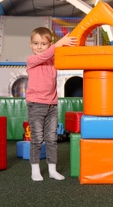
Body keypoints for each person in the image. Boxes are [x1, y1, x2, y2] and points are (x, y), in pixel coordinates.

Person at [26, 27, 77, 181]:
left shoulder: (53, 61)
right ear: (30, 45)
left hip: (52, 105)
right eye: (35, 43)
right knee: (37, 138)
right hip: (36, 105)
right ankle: (35, 170)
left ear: (49, 45)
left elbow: (62, 55)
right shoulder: (31, 60)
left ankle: (52, 169)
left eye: (43, 44)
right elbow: (45, 55)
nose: (39, 47)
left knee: (51, 138)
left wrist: (68, 42)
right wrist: (58, 44)